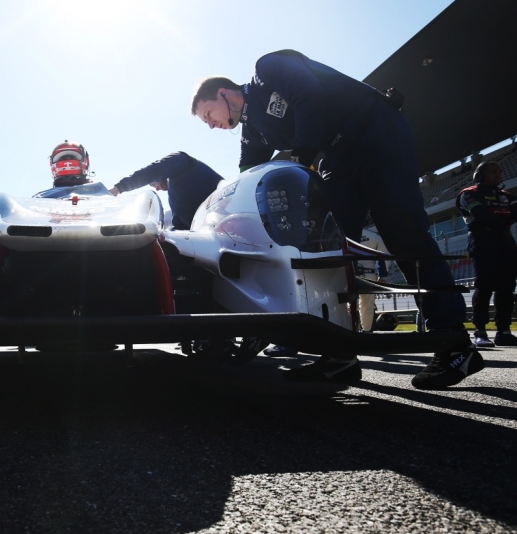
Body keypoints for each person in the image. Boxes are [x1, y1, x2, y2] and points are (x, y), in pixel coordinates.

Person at [191, 49, 477, 389]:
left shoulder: (267, 70)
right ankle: (337, 352)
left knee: (403, 231)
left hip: (375, 129)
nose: (210, 124)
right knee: (325, 248)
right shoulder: (253, 133)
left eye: (208, 114)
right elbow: (245, 175)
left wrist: (301, 158)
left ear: (223, 93)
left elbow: (309, 96)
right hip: (338, 158)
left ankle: (455, 343)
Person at [457, 161, 517, 347]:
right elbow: (481, 215)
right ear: (480, 175)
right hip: (482, 240)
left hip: (506, 241)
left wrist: (497, 219)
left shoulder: (507, 195)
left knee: (507, 287)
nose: (498, 175)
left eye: (499, 172)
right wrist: (502, 218)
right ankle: (480, 331)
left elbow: (514, 215)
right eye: (493, 172)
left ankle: (504, 331)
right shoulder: (468, 194)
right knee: (484, 285)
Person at [109, 152, 222, 230]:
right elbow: (174, 222)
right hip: (202, 229)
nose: (157, 189)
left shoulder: (182, 161)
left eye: (154, 184)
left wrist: (119, 188)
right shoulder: (175, 196)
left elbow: (154, 171)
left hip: (224, 214)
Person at [357, 226, 389, 332]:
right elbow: (383, 256)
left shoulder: (346, 234)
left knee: (345, 302)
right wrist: (383, 275)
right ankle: (366, 331)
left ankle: (347, 328)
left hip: (348, 272)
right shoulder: (374, 236)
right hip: (368, 274)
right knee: (367, 306)